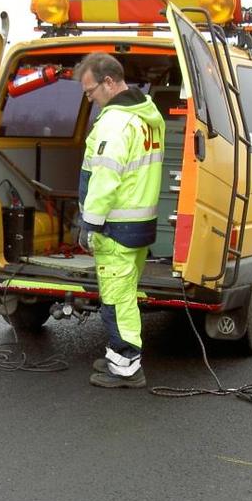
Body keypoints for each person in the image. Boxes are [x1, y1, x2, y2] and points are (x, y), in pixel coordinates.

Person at [75, 52, 165, 389]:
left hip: (115, 227)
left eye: (90, 92)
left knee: (115, 298)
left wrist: (90, 224)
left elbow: (105, 178)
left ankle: (126, 366)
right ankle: (120, 355)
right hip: (139, 224)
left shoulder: (115, 122)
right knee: (125, 292)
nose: (90, 99)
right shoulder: (145, 117)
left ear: (109, 82)